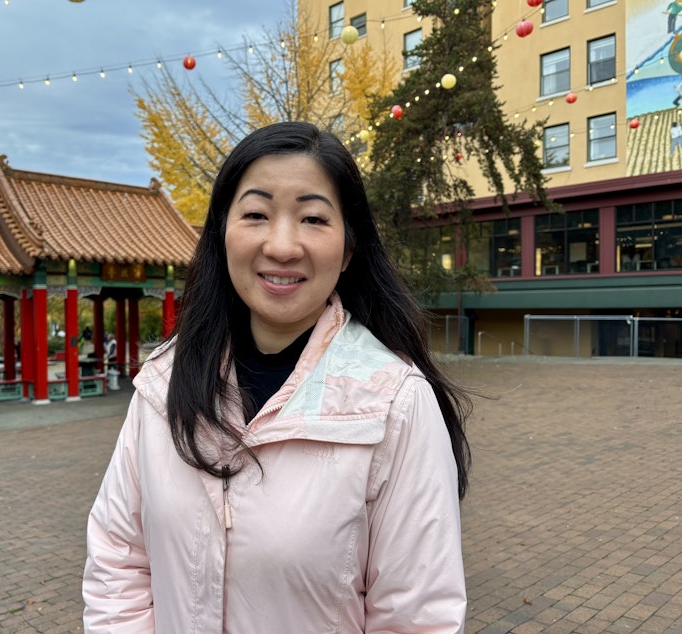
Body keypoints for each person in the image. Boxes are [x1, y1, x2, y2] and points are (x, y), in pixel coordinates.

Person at [83, 122, 472, 632]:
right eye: (256, 214)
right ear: (223, 232)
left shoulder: (395, 403)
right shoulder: (163, 386)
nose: (283, 246)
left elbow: (418, 616)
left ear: (349, 248)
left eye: (312, 218)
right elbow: (119, 563)